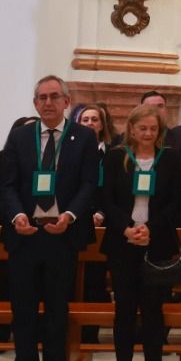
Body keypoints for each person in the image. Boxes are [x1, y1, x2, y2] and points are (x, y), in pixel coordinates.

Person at [0, 75, 97, 361]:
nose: (48, 103)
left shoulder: (82, 137)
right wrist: (16, 217)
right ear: (35, 103)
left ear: (66, 101)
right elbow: (6, 184)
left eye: (55, 97)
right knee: (22, 314)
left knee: (56, 314)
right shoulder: (20, 135)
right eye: (42, 97)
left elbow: (88, 186)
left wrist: (68, 216)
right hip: (24, 236)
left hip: (61, 238)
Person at [101, 101, 181, 361]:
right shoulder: (116, 158)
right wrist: (126, 227)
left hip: (156, 243)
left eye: (153, 129)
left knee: (152, 314)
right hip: (122, 243)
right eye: (142, 128)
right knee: (123, 313)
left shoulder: (170, 160)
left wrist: (151, 229)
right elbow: (106, 199)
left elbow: (176, 202)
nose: (147, 133)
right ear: (131, 129)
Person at [76, 103, 115, 342]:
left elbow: (114, 190)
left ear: (102, 125)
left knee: (96, 281)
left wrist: (102, 213)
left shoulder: (112, 153)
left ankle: (91, 334)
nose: (90, 123)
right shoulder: (71, 151)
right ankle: (76, 334)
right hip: (76, 221)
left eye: (95, 120)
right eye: (85, 120)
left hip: (104, 222)